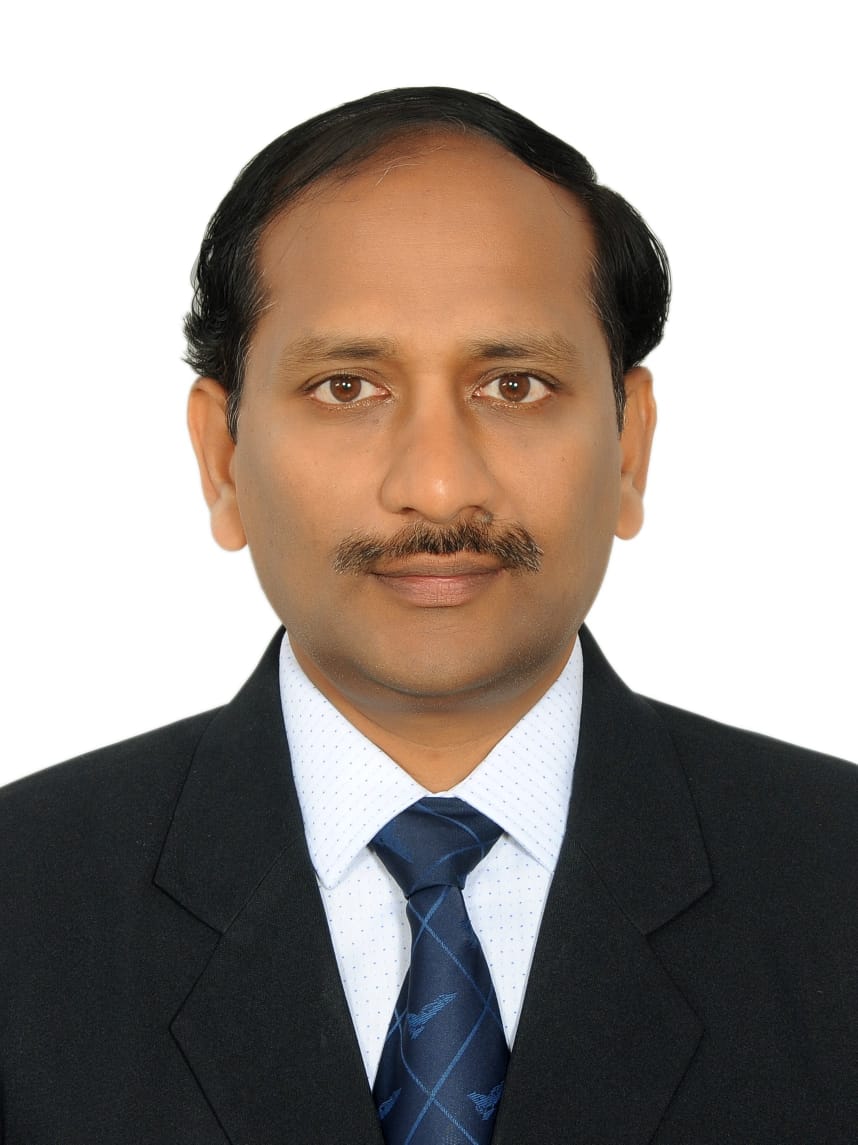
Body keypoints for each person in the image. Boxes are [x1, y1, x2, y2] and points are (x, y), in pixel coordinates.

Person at [1, 87, 856, 1145]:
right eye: (347, 387)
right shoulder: (22, 902)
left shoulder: (836, 884)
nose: (440, 487)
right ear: (222, 459)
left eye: (515, 385)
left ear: (630, 446)